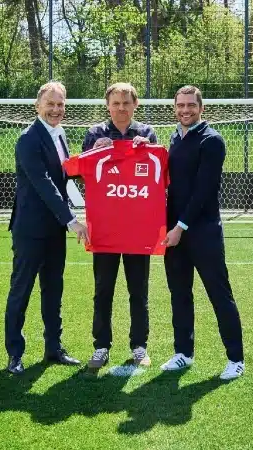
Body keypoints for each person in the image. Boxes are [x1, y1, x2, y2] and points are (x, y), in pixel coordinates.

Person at [159, 85, 245, 380]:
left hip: (203, 232)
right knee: (179, 294)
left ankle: (236, 358)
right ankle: (183, 353)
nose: (185, 110)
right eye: (180, 106)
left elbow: (203, 192)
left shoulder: (212, 141)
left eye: (190, 106)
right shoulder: (174, 137)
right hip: (173, 235)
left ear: (201, 108)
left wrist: (181, 227)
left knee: (219, 295)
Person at [4, 81, 89, 375]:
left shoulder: (60, 134)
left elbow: (66, 172)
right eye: (51, 104)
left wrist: (96, 153)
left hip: (54, 230)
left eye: (61, 104)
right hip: (30, 230)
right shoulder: (28, 138)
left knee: (53, 291)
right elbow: (45, 185)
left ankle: (54, 348)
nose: (56, 110)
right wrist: (73, 220)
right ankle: (15, 355)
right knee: (21, 291)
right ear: (38, 106)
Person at [80, 82, 159, 370]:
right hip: (105, 229)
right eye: (116, 103)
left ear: (135, 105)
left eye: (126, 103)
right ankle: (101, 346)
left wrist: (146, 149)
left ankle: (139, 345)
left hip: (138, 228)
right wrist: (94, 153)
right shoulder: (94, 134)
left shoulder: (147, 133)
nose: (121, 108)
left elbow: (157, 172)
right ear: (108, 105)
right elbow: (81, 176)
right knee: (103, 290)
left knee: (138, 291)